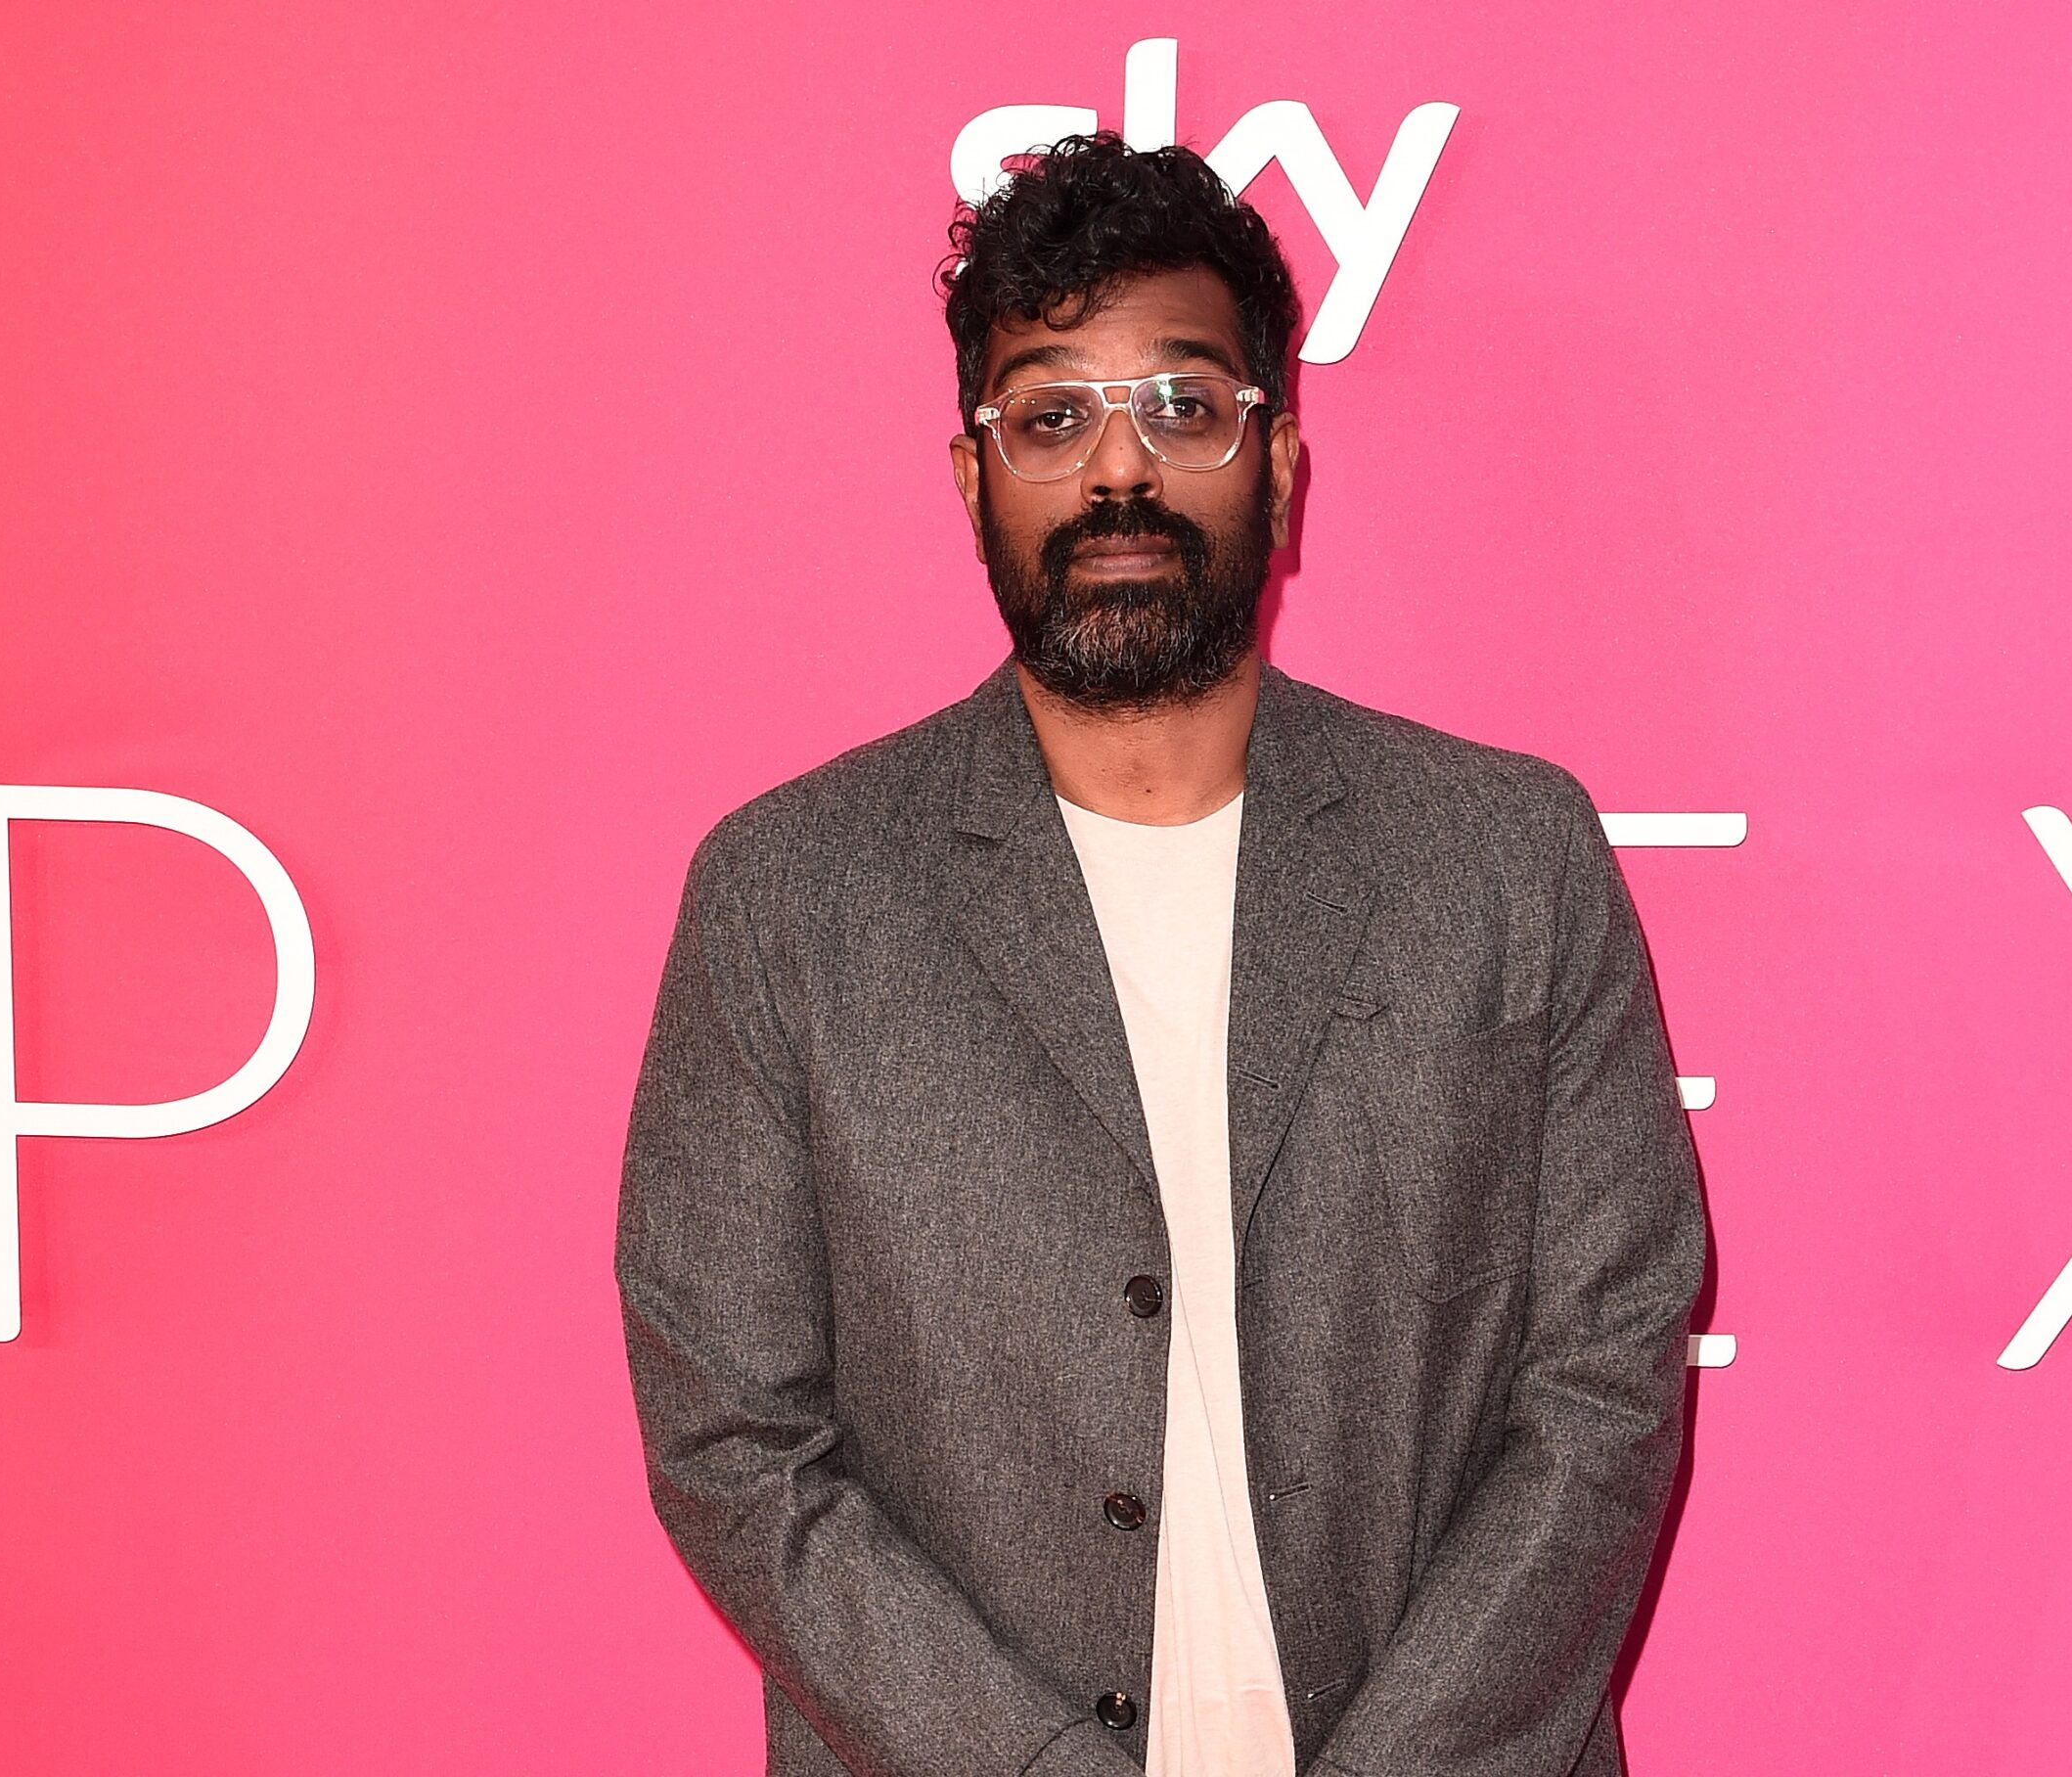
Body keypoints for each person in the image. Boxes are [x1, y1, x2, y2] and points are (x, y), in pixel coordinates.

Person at [615, 131, 1707, 1777]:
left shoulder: (1507, 856)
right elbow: (735, 1438)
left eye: (1184, 406)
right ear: (973, 478)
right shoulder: (787, 899)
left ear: (1281, 464)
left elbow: (1604, 1383)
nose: (1118, 473)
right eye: (1051, 417)